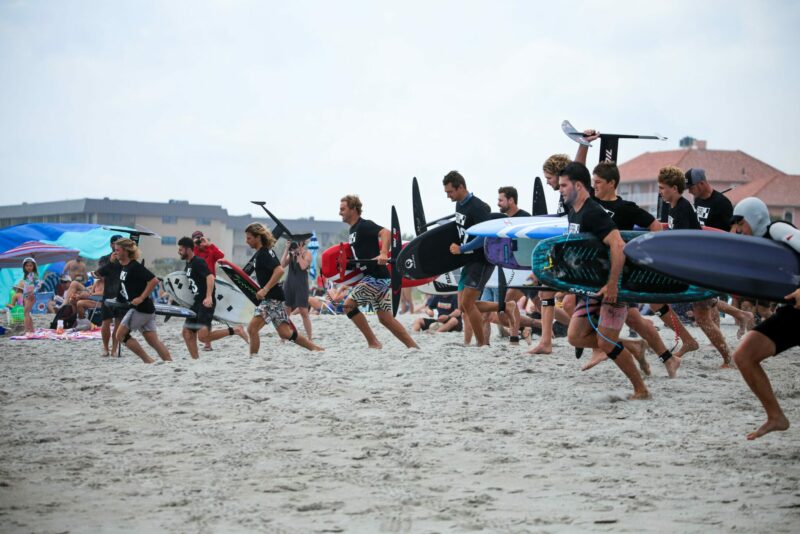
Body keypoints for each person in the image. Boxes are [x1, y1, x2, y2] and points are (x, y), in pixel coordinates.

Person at [559, 162, 650, 400]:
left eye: (564, 185)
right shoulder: (574, 212)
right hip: (591, 288)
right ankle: (634, 347)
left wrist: (612, 284)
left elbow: (619, 245)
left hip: (612, 288)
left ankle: (641, 389)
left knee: (606, 342)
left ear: (578, 185)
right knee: (575, 337)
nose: (560, 190)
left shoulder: (593, 212)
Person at [586, 160, 681, 377]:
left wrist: (651, 257)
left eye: (598, 182)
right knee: (634, 319)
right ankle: (667, 358)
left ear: (612, 183)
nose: (595, 186)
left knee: (633, 318)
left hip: (618, 275)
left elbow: (655, 226)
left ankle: (610, 347)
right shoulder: (590, 203)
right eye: (593, 182)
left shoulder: (625, 208)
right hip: (596, 273)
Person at [729, 197, 800, 439]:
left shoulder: (777, 230)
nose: (738, 229)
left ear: (755, 218)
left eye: (741, 223)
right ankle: (776, 416)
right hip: (793, 312)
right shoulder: (754, 250)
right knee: (744, 356)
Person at [658, 166, 732, 367]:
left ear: (674, 188)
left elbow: (684, 242)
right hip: (692, 267)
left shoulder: (682, 208)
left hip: (700, 268)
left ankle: (728, 358)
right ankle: (690, 342)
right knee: (700, 314)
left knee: (702, 316)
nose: (660, 192)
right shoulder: (672, 207)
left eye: (663, 188)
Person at [338, 195, 419, 349]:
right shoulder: (352, 230)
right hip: (377, 277)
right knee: (385, 318)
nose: (340, 212)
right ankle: (413, 347)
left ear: (353, 209)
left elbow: (386, 232)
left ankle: (373, 343)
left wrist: (383, 253)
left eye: (343, 209)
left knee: (348, 305)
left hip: (376, 278)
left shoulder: (364, 225)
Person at [244, 223, 322, 356]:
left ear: (258, 237)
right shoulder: (264, 252)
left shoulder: (264, 253)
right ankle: (316, 349)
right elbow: (281, 265)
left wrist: (265, 289)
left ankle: (253, 359)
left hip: (271, 298)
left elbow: (279, 270)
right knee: (285, 333)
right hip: (277, 296)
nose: (247, 241)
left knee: (252, 329)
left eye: (249, 238)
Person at [444, 171, 494, 347]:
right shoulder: (459, 205)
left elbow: (484, 237)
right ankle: (506, 306)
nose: (448, 196)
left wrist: (462, 249)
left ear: (461, 187)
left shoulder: (478, 207)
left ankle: (481, 344)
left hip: (482, 259)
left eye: (450, 192)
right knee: (462, 305)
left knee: (467, 303)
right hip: (468, 260)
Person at [176, 237, 248, 359]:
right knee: (187, 333)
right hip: (196, 303)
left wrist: (209, 297)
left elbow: (210, 277)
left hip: (206, 302)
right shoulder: (188, 264)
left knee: (203, 337)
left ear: (188, 249)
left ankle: (235, 330)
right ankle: (195, 361)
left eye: (181, 249)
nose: (179, 252)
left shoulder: (198, 262)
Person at [113, 238, 172, 364]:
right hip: (147, 310)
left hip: (140, 309)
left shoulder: (134, 266)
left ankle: (148, 361)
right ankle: (169, 364)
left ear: (125, 251)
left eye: (117, 250)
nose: (115, 252)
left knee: (120, 336)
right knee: (153, 341)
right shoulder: (125, 267)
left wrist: (141, 298)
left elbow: (154, 280)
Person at [192, 230, 225, 350]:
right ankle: (196, 339)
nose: (198, 240)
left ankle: (207, 343)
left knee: (206, 315)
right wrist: (195, 245)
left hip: (209, 285)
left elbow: (221, 256)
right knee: (196, 313)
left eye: (200, 238)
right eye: (196, 239)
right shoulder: (193, 252)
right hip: (196, 285)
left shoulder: (210, 251)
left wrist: (209, 245)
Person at [95, 235, 125, 357]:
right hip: (108, 294)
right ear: (111, 245)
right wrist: (111, 262)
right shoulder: (105, 258)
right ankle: (106, 348)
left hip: (121, 294)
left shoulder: (125, 259)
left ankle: (114, 349)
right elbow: (99, 273)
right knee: (105, 322)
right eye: (117, 243)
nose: (118, 246)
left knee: (118, 324)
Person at [281, 238, 314, 340]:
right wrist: (287, 249)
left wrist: (299, 254)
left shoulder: (308, 253)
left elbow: (304, 266)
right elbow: (281, 265)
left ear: (302, 244)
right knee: (286, 310)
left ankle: (310, 337)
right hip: (289, 283)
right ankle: (283, 337)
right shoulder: (291, 254)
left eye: (297, 244)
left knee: (304, 311)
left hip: (301, 285)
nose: (295, 247)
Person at [21, 257, 40, 333]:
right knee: (27, 312)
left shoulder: (33, 274)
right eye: (27, 266)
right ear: (24, 267)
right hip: (27, 296)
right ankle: (31, 330)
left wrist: (33, 292)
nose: (29, 267)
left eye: (30, 266)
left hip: (31, 295)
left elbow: (39, 284)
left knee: (25, 313)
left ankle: (26, 330)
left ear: (33, 266)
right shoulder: (27, 275)